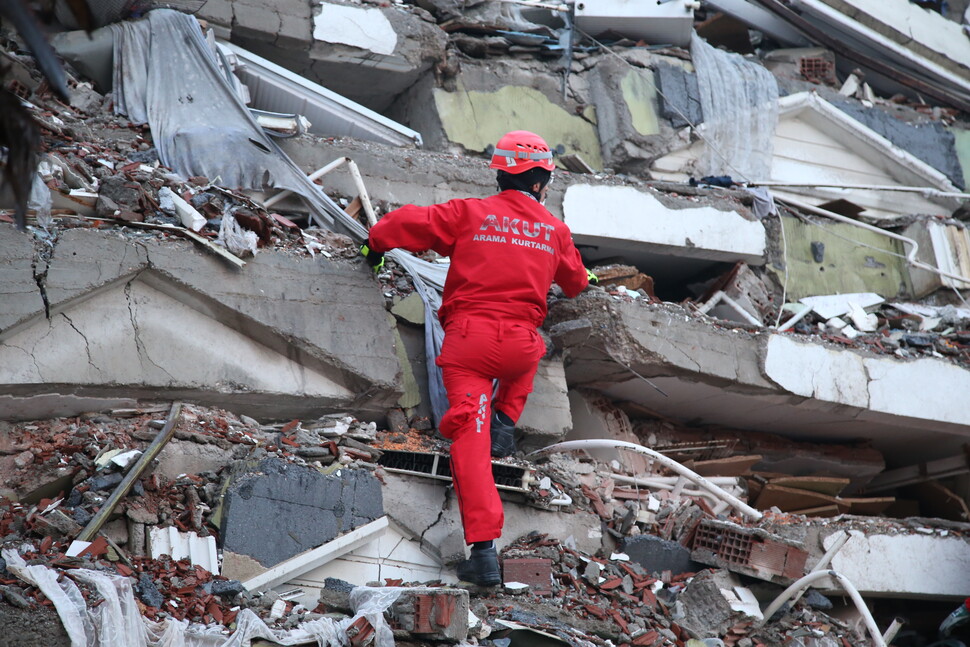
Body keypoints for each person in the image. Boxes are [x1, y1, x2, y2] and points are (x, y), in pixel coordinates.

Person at [361, 130, 594, 585]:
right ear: (543, 181)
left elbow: (397, 226)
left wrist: (374, 250)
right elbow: (577, 284)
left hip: (470, 345)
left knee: (470, 443)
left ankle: (484, 552)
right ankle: (506, 420)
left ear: (501, 176)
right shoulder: (555, 230)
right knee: (528, 353)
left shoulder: (470, 213)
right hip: (520, 349)